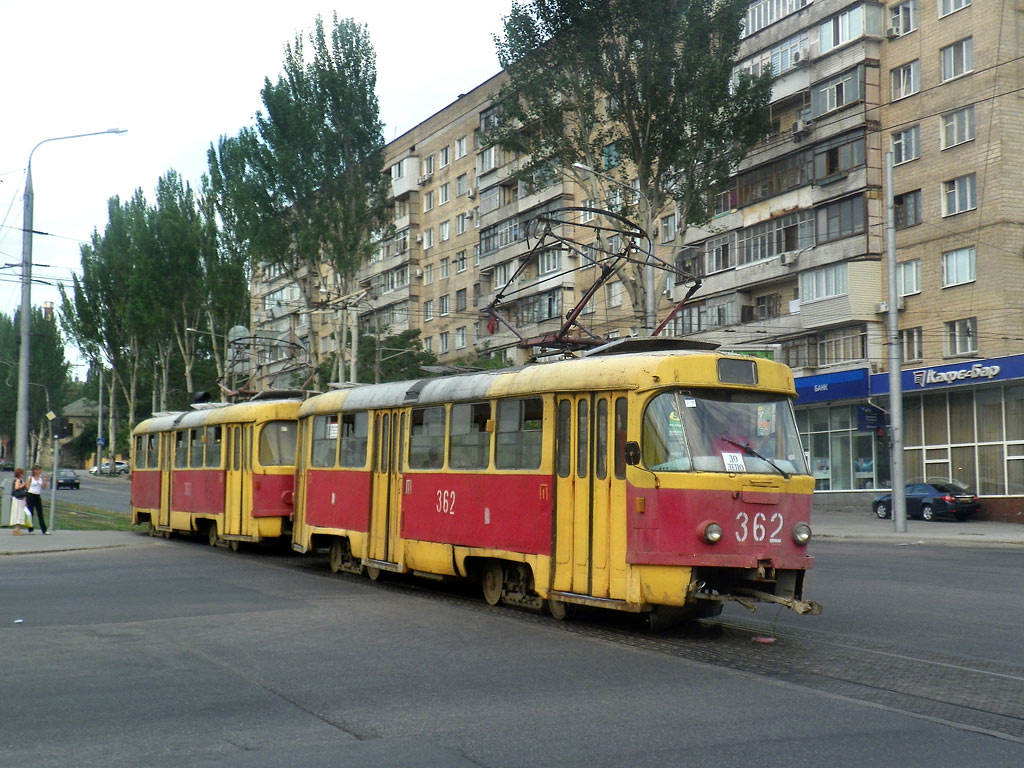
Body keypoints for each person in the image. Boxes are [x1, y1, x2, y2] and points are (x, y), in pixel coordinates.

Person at [25, 465, 48, 535]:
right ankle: (30, 529)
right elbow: (27, 487)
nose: (40, 471)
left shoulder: (40, 478)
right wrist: (26, 497)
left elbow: (44, 487)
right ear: (35, 470)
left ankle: (44, 530)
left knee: (40, 513)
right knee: (31, 512)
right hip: (31, 495)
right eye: (39, 470)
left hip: (37, 495)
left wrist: (44, 480)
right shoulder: (30, 478)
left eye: (40, 470)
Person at [9, 468, 28, 535]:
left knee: (17, 513)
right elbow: (16, 488)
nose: (23, 475)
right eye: (22, 473)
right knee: (18, 513)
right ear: (19, 474)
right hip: (18, 499)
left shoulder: (17, 480)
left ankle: (16, 529)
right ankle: (17, 529)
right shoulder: (18, 481)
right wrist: (22, 485)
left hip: (18, 499)